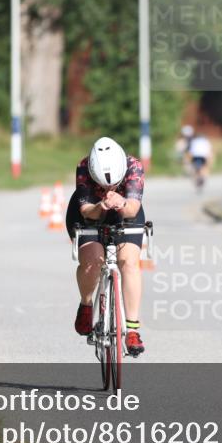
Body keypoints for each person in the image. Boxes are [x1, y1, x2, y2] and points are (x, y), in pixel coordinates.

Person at [66, 137, 147, 356]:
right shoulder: (84, 167)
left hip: (125, 212)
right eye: (102, 184)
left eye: (112, 183)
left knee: (129, 263)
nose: (108, 187)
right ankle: (86, 303)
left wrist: (120, 203)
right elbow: (86, 212)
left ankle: (132, 330)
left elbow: (132, 209)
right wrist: (101, 205)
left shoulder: (134, 167)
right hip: (90, 213)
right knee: (92, 262)